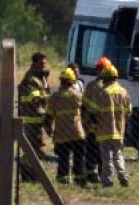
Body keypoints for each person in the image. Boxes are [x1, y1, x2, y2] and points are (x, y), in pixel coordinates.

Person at [84, 57, 133, 188]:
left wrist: (92, 125)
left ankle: (107, 181)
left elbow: (94, 111)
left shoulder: (103, 92)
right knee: (118, 155)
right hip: (119, 130)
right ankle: (123, 176)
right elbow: (128, 111)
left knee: (106, 158)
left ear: (105, 78)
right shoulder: (124, 92)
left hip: (104, 130)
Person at [47, 67, 87, 185]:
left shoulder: (54, 97)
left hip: (61, 133)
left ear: (61, 80)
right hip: (77, 133)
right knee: (78, 158)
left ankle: (63, 180)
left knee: (63, 158)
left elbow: (48, 117)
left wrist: (49, 130)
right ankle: (79, 180)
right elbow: (85, 113)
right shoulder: (78, 95)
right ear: (72, 81)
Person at [17, 52, 52, 176]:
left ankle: (31, 173)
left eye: (45, 63)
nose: (44, 65)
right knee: (35, 150)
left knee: (36, 149)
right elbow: (34, 98)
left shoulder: (41, 77)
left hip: (38, 118)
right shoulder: (31, 79)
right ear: (34, 64)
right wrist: (49, 98)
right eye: (41, 63)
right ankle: (27, 170)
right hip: (32, 119)